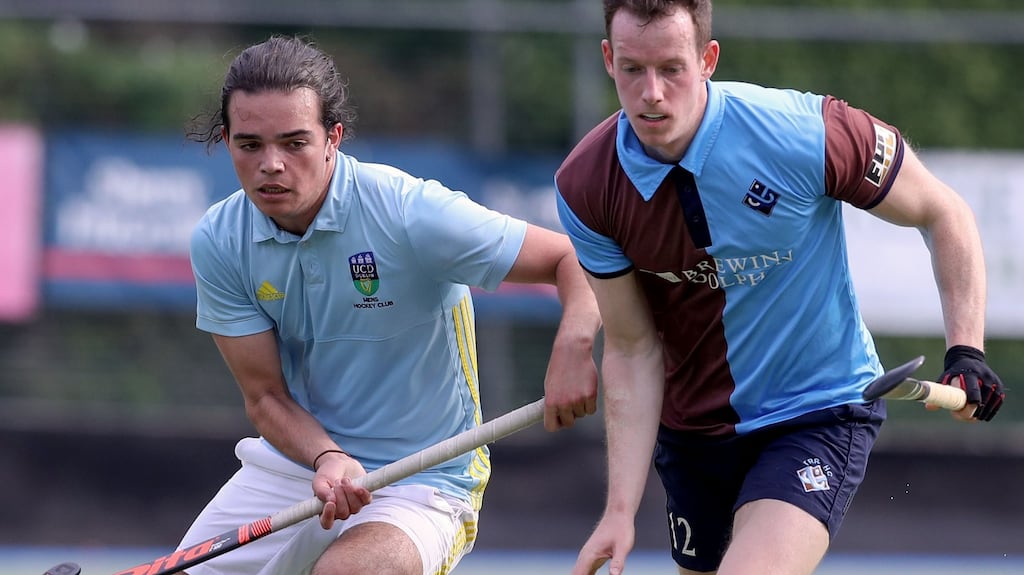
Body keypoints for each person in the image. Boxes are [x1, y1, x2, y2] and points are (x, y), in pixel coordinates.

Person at [555, 2, 1006, 574]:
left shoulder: (803, 132)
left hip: (816, 410)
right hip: (693, 433)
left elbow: (944, 212)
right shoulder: (587, 187)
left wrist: (966, 349)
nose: (652, 95)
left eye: (672, 69)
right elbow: (632, 347)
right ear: (606, 60)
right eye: (632, 69)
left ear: (708, 59)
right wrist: (619, 511)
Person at [178, 35, 600, 575]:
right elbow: (265, 396)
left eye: (294, 143)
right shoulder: (219, 239)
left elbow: (574, 259)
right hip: (296, 467)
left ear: (334, 137)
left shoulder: (409, 213)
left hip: (423, 482)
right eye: (251, 145)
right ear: (226, 140)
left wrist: (574, 344)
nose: (272, 165)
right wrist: (327, 457)